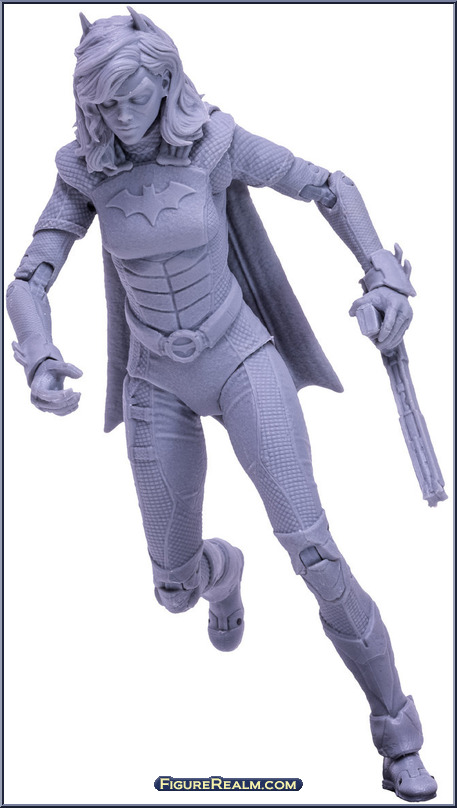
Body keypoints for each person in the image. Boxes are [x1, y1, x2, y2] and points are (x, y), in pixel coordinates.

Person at [6, 8, 437, 802]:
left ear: (166, 82)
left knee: (313, 551)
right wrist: (36, 352)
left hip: (238, 355)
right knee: (173, 589)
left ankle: (396, 730)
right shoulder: (84, 170)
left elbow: (326, 185)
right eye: (102, 104)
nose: (118, 116)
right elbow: (31, 273)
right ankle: (221, 573)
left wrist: (380, 272)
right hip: (153, 379)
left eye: (132, 98)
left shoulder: (214, 142)